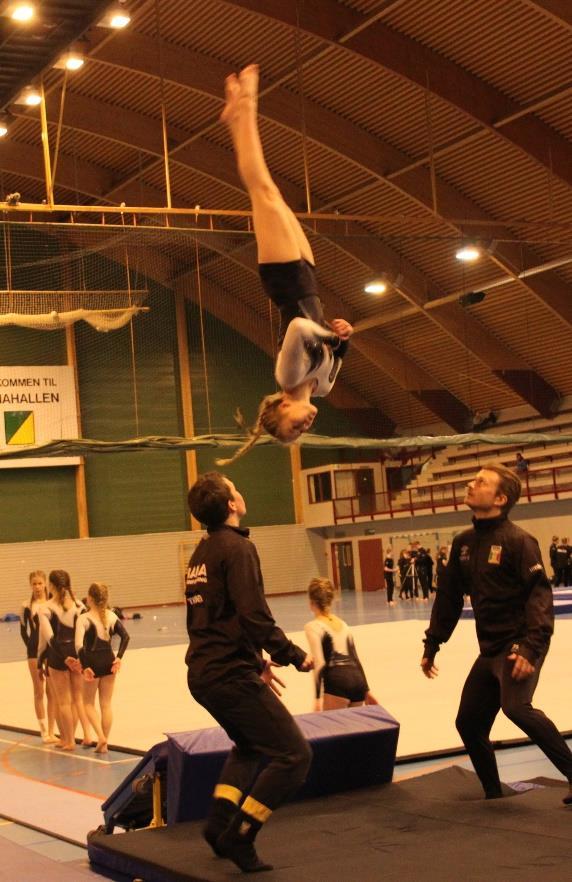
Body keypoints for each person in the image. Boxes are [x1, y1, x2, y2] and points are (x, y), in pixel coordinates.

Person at [216, 64, 353, 465]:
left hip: (284, 283)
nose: (305, 427)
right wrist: (343, 334)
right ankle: (239, 116)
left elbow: (297, 327)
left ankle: (245, 110)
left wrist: (328, 336)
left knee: (262, 189)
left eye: (293, 428)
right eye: (303, 433)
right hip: (308, 280)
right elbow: (342, 349)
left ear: (280, 408)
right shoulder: (323, 387)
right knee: (270, 189)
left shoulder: (287, 377)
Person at [421, 462, 572, 805]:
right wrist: (433, 643)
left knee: (516, 707)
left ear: (500, 498)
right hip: (489, 649)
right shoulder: (463, 543)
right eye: (472, 479)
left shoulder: (519, 541)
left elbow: (539, 597)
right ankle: (493, 794)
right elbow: (448, 598)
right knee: (469, 722)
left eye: (481, 482)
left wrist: (532, 648)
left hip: (520, 643)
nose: (470, 484)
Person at [185, 471, 313, 872]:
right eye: (236, 488)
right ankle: (241, 835)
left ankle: (219, 823)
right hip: (227, 675)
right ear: (232, 506)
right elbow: (254, 615)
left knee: (250, 746)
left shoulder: (201, 552)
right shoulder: (238, 548)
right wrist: (291, 654)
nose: (241, 491)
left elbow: (216, 618)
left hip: (206, 671)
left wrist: (256, 661)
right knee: (294, 755)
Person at [37, 570, 91, 751]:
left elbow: (48, 639)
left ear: (51, 586)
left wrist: (40, 661)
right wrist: (79, 658)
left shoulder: (45, 608)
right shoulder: (79, 605)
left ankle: (68, 739)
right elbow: (85, 635)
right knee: (77, 699)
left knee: (63, 701)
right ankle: (71, 737)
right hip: (76, 653)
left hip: (57, 655)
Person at [304, 577, 376, 710]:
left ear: (312, 602)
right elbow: (355, 658)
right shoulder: (343, 624)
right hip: (357, 682)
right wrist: (366, 689)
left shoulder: (313, 626)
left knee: (331, 730)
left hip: (337, 682)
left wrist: (317, 697)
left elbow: (319, 663)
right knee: (355, 730)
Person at [75, 582, 130, 754]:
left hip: (92, 661)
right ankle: (104, 743)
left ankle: (100, 737)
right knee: (106, 704)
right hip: (108, 661)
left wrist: (85, 666)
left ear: (89, 599)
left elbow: (78, 646)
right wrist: (119, 658)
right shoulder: (112, 616)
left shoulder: (84, 618)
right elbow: (126, 637)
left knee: (88, 703)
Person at [20, 570, 57, 743]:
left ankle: (52, 730)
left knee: (52, 692)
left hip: (50, 650)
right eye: (34, 584)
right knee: (38, 691)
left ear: (45, 584)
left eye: (40, 583)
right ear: (30, 585)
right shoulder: (26, 605)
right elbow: (23, 631)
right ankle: (43, 732)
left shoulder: (52, 603)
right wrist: (31, 646)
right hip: (34, 651)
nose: (37, 587)